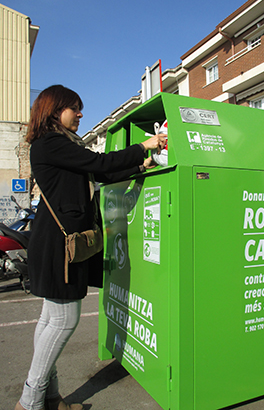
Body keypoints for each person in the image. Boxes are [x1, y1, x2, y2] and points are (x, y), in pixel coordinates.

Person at [15, 85, 167, 410]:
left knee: (50, 321)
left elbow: (99, 172)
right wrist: (144, 145)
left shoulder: (60, 145)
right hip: (59, 246)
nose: (81, 114)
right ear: (55, 111)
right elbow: (99, 163)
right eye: (75, 108)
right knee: (63, 321)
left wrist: (141, 167)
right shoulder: (51, 143)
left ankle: (50, 398)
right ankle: (29, 402)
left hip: (56, 242)